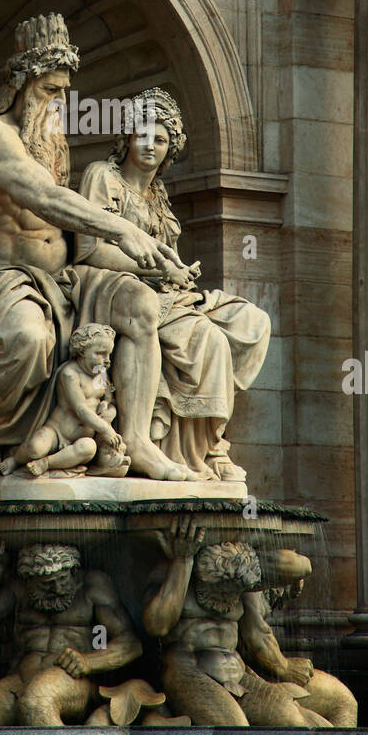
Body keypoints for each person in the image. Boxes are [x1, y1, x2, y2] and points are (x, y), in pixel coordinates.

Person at [0, 15, 198, 481]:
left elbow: (73, 233)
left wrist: (150, 263)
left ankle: (137, 441)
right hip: (5, 280)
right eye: (49, 90)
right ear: (20, 82)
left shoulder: (52, 141)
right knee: (28, 337)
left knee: (142, 306)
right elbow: (45, 197)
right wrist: (123, 231)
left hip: (67, 281)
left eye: (63, 91)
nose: (59, 102)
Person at [74, 88, 271, 481]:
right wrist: (160, 271)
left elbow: (171, 260)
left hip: (162, 293)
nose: (151, 145)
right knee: (205, 338)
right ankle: (185, 448)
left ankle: (205, 448)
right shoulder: (102, 176)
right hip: (106, 285)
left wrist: (183, 280)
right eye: (143, 134)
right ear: (127, 137)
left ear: (171, 149)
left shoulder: (159, 197)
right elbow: (88, 250)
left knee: (249, 320)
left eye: (161, 139)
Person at [143, 519, 357, 727]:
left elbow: (298, 567)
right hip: (189, 671)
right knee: (239, 733)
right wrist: (183, 561)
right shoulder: (174, 569)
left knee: (310, 718)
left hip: (239, 672)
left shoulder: (243, 573)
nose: (228, 597)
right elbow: (157, 626)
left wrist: (252, 554)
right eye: (222, 589)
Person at [0, 539, 141, 726]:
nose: (57, 589)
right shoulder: (20, 589)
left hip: (73, 680)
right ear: (29, 579)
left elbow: (131, 643)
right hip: (20, 679)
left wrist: (89, 661)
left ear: (74, 571)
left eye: (62, 579)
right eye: (46, 585)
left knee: (36, 703)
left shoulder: (91, 586)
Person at [0, 323, 130, 478]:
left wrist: (106, 406)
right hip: (57, 432)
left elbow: (108, 396)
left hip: (82, 438)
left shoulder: (99, 372)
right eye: (100, 353)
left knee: (88, 448)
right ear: (82, 351)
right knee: (35, 447)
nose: (107, 360)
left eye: (108, 354)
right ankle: (15, 460)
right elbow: (81, 409)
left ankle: (47, 463)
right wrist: (106, 429)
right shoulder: (70, 374)